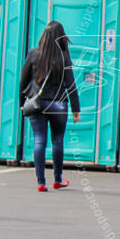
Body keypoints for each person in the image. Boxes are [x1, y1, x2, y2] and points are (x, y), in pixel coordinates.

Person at [19, 21, 80, 192]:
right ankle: (58, 179)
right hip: (59, 104)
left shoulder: (33, 54)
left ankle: (40, 182)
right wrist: (76, 109)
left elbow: (23, 80)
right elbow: (71, 85)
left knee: (39, 140)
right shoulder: (64, 57)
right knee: (57, 141)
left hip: (36, 104)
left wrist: (21, 102)